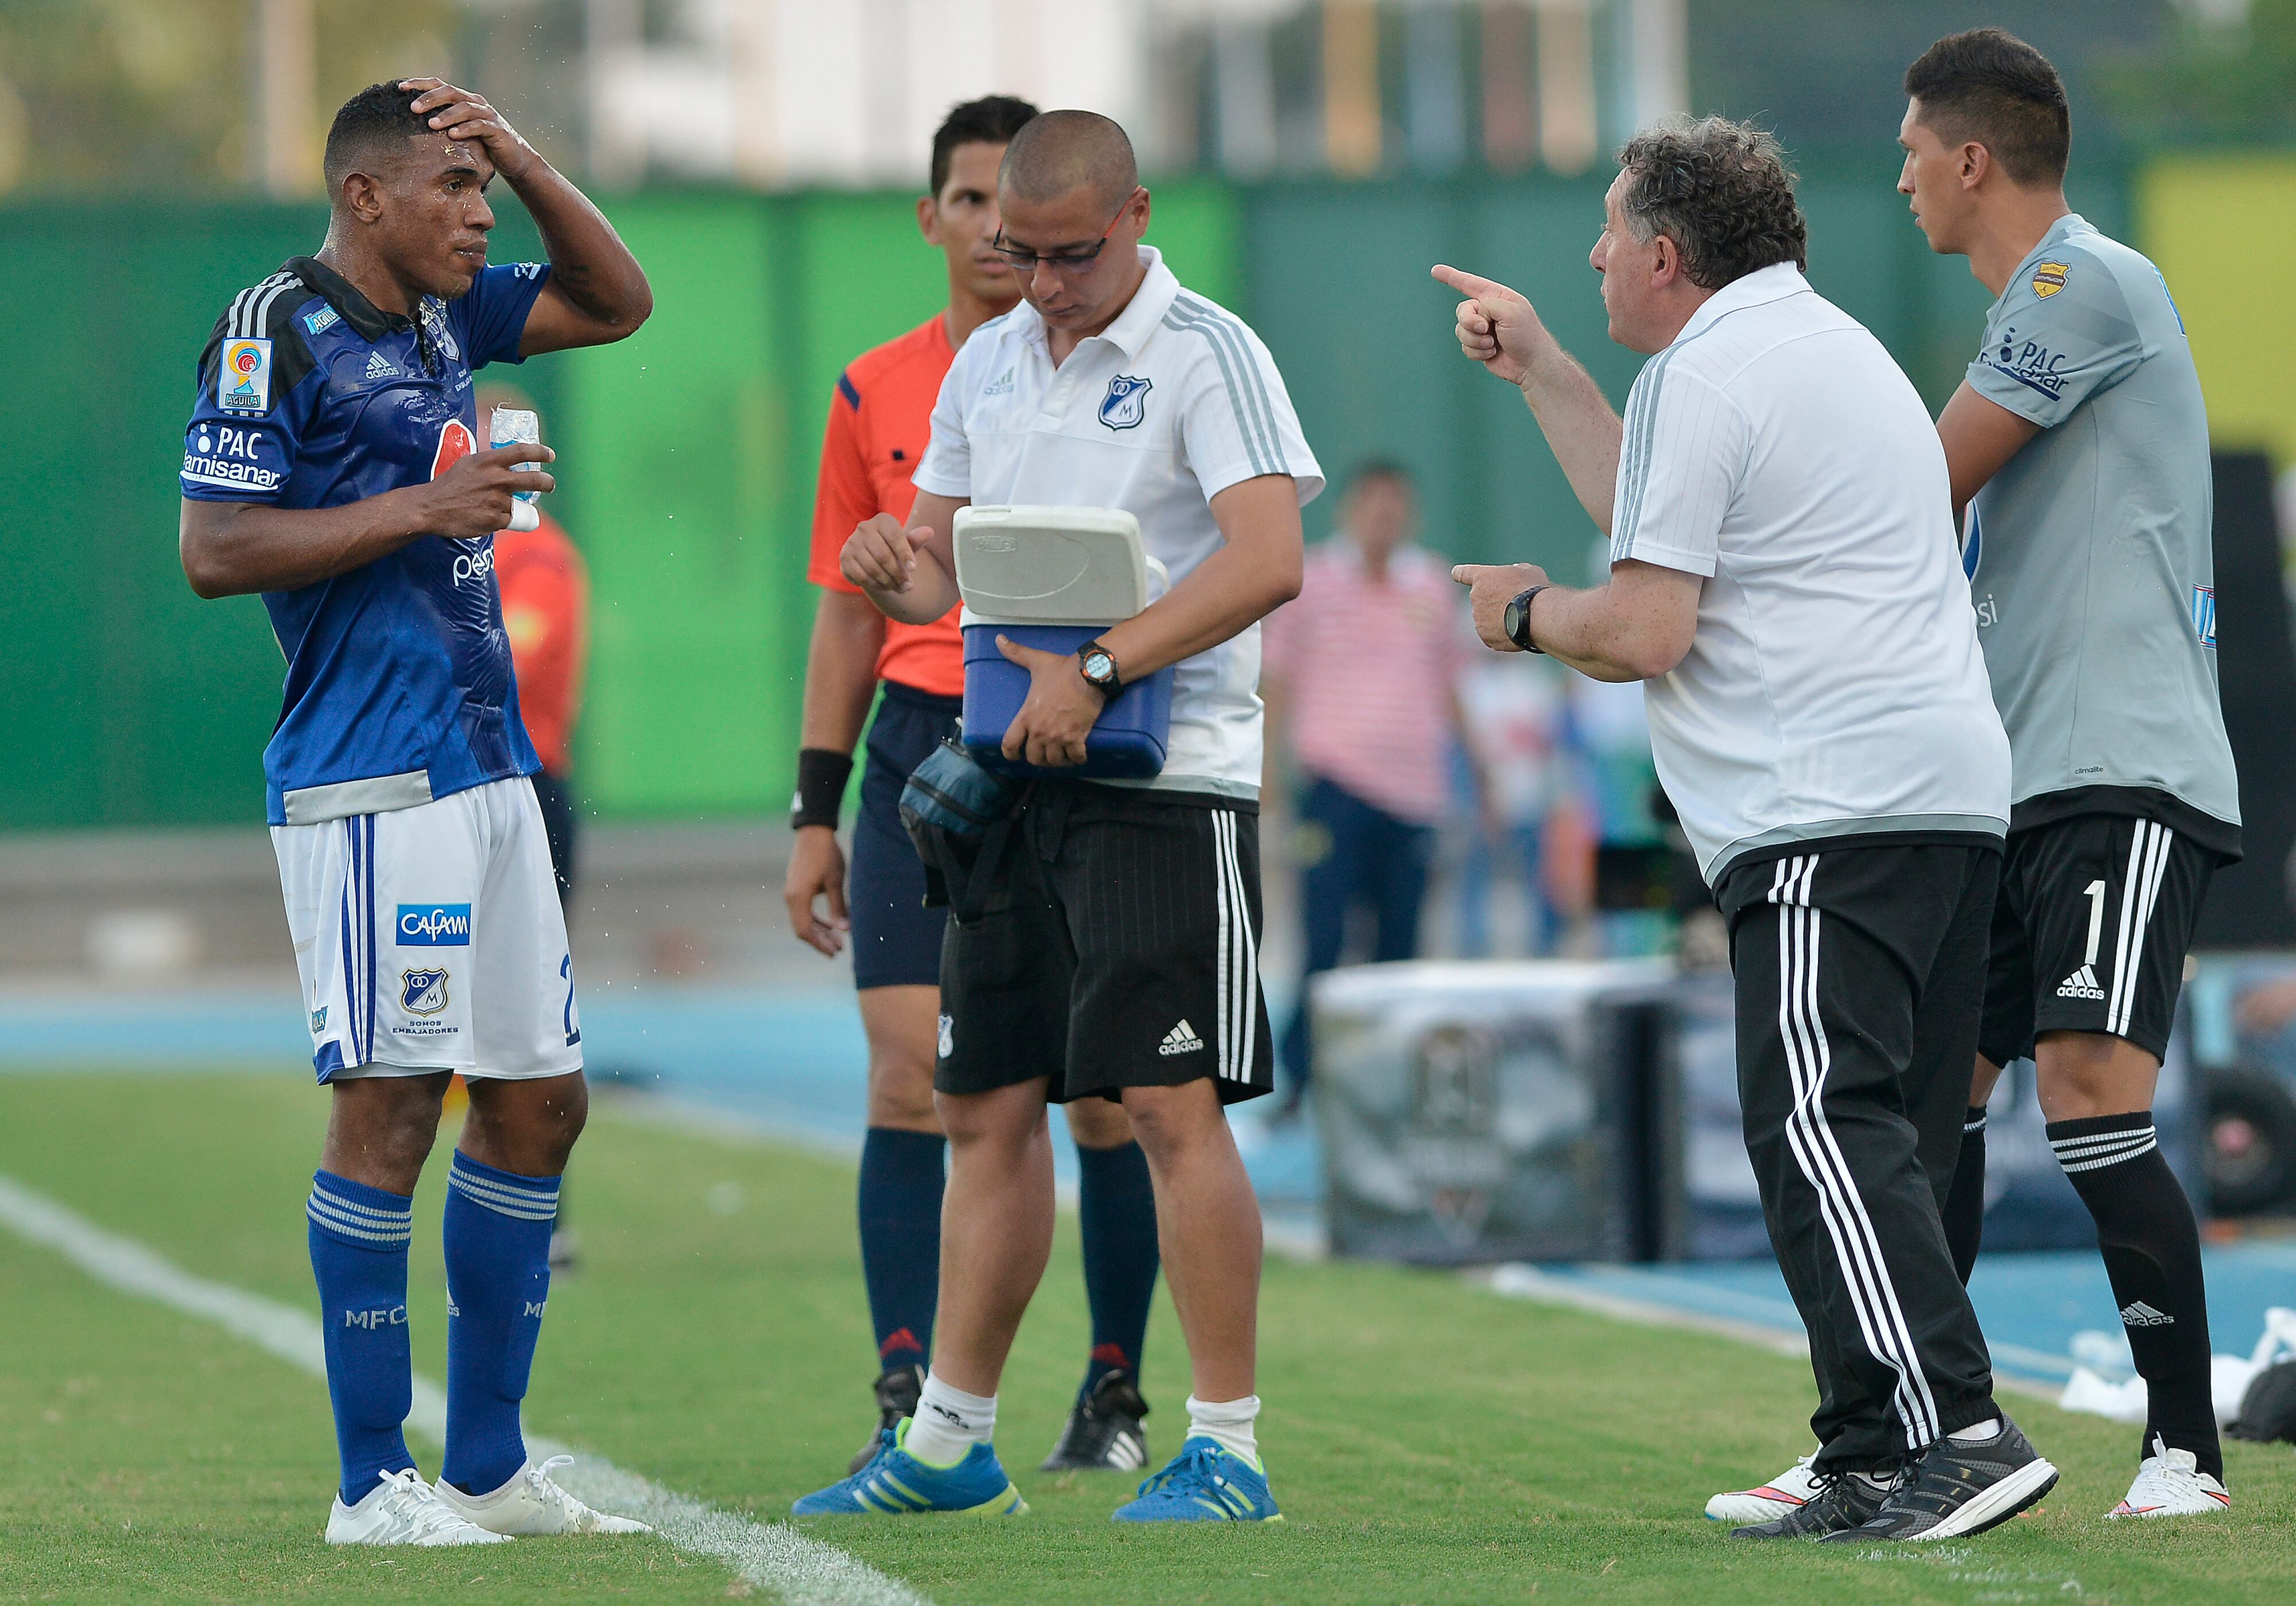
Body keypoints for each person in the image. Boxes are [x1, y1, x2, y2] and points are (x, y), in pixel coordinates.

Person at [1439, 114, 2057, 1542]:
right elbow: (1658, 516)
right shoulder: (1819, 348)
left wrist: (1523, 614)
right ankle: (1865, 1446)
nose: (1592, 251)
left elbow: (1648, 621)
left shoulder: (1705, 371)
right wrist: (1543, 365)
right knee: (1872, 1135)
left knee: (1818, 1124)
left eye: (1607, 228)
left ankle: (1954, 1427)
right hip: (1940, 797)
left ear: (1665, 253)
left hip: (1822, 807)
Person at [793, 109, 1320, 1523]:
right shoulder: (989, 359)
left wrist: (1098, 667)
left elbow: (1271, 556)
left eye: (1069, 255)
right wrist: (884, 560)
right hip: (1011, 775)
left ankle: (1225, 1442)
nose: (1039, 283)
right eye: (1015, 253)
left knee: (1162, 1098)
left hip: (1166, 778)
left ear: (1136, 215)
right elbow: (934, 580)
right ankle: (954, 1440)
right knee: (977, 1102)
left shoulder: (1208, 351)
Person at [177, 79, 651, 1546]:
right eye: (454, 194)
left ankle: (491, 1464)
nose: (477, 220)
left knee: (539, 1101)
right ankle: (371, 1482)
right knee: (389, 1107)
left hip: (487, 760)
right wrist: (419, 512)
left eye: (486, 199)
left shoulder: (448, 315)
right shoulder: (273, 328)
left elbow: (616, 298)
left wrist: (515, 144)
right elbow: (214, 547)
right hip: (370, 779)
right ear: (367, 196)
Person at [782, 94, 1166, 1477]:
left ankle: (1111, 1390)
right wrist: (812, 809)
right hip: (917, 748)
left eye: (1024, 212)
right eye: (969, 205)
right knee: (912, 1080)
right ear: (939, 218)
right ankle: (910, 1392)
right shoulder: (881, 388)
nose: (1001, 236)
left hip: (1066, 738)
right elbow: (849, 603)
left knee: (1104, 1098)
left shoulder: (1130, 361)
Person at [1909, 28, 2236, 1519]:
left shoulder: (2079, 280)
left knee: (2092, 1084)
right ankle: (1915, 1430)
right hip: (2020, 778)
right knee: (1937, 1097)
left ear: (1974, 160)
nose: (1906, 173)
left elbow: (1922, 480)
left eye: (1918, 149)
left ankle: (2186, 1450)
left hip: (2121, 764)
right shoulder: (2027, 314)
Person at [1260, 459, 1484, 1111]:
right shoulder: (1314, 581)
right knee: (1323, 939)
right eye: (1373, 504)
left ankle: (1390, 1088)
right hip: (1335, 785)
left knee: (1400, 947)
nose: (1384, 517)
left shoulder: (1430, 585)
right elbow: (1277, 683)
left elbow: (1449, 687)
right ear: (1349, 510)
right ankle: (1302, 1080)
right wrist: (1271, 777)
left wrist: (1484, 778)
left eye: (1396, 505)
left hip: (1415, 792)